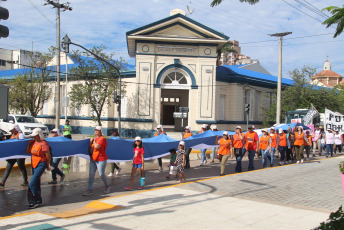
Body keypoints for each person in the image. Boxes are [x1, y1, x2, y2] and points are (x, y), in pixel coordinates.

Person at [25, 128, 51, 209]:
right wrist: (28, 144)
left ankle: (32, 201)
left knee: (32, 182)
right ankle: (39, 199)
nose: (34, 137)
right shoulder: (33, 142)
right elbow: (27, 152)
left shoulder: (44, 144)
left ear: (39, 135)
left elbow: (48, 155)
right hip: (34, 164)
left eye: (35, 136)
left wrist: (48, 164)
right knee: (36, 182)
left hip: (41, 164)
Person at [83, 126, 110, 196]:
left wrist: (93, 140)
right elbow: (90, 147)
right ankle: (89, 189)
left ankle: (107, 186)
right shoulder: (94, 139)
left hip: (101, 159)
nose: (96, 131)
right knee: (91, 174)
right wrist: (90, 142)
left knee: (101, 174)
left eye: (97, 130)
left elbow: (97, 146)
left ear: (101, 131)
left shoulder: (102, 139)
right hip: (93, 159)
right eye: (95, 130)